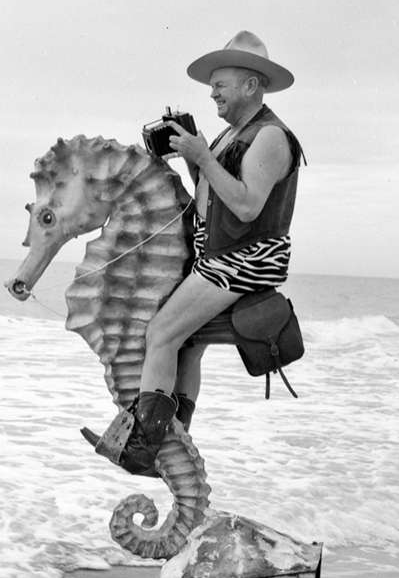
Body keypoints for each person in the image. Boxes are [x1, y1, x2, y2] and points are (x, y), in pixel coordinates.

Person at [119, 31, 305, 476]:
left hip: (243, 259)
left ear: (251, 85)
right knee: (186, 348)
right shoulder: (230, 134)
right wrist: (192, 156)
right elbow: (209, 191)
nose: (212, 92)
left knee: (161, 334)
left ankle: (147, 450)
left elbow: (245, 205)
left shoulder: (271, 137)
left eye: (221, 84)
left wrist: (203, 156)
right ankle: (175, 442)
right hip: (216, 254)